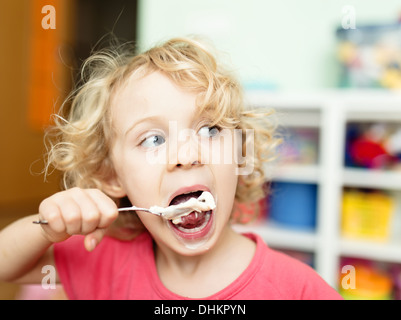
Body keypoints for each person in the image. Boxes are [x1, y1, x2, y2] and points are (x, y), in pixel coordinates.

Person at [0, 37, 342, 299]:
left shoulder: (296, 288)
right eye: (152, 139)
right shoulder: (104, 260)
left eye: (209, 130)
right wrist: (45, 228)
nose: (186, 155)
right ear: (112, 176)